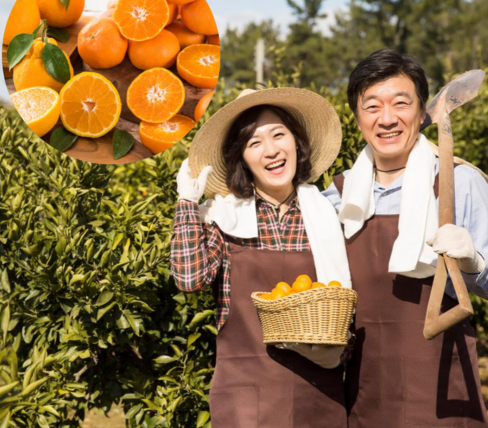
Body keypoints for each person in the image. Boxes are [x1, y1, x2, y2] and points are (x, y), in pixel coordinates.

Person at [323, 49, 488, 427]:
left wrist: (474, 262)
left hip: (441, 389)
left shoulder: (456, 182)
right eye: (372, 106)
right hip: (364, 392)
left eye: (401, 103)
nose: (387, 119)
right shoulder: (338, 197)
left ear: (421, 112)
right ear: (356, 117)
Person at [170, 87, 352, 428]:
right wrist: (187, 206)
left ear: (296, 142)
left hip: (318, 395)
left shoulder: (329, 216)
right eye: (254, 143)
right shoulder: (225, 219)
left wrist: (339, 350)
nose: (270, 151)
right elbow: (189, 280)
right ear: (242, 158)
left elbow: (348, 306)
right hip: (245, 400)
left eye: (278, 135)